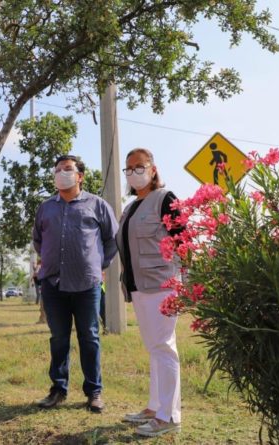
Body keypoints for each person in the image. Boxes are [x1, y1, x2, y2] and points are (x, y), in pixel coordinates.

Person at [32, 154, 118, 413]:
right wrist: (50, 262)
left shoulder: (97, 205)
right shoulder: (45, 207)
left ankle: (94, 392)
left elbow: (112, 240)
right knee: (58, 338)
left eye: (67, 169)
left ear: (80, 176)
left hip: (86, 284)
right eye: (58, 169)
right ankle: (58, 389)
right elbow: (38, 240)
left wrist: (98, 264)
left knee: (89, 337)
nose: (61, 173)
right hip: (53, 283)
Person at [116, 148, 183, 437]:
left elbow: (183, 240)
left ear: (153, 169)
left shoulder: (165, 199)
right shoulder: (131, 207)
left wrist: (186, 283)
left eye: (139, 166)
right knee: (155, 348)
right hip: (139, 287)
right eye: (129, 169)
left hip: (162, 285)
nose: (134, 172)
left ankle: (169, 416)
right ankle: (155, 407)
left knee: (164, 347)